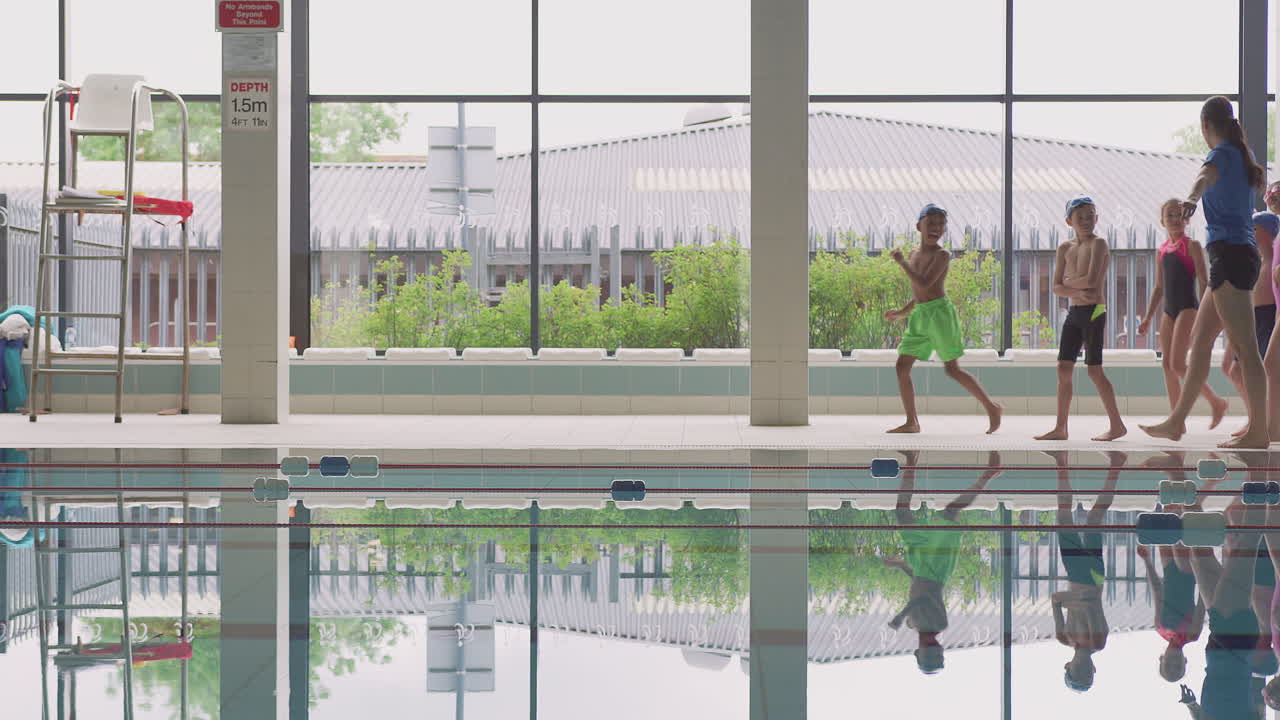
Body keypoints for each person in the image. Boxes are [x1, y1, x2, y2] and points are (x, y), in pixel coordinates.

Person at [1142, 96, 1270, 448]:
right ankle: (1177, 421)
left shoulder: (1223, 154)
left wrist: (1191, 199)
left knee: (1246, 348)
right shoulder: (1242, 158)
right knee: (1199, 345)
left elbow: (1204, 176)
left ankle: (1259, 432)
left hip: (1230, 255)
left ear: (1205, 127)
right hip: (1231, 256)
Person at [884, 204, 1002, 434]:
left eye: (941, 225)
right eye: (931, 224)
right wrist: (901, 312)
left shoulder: (942, 255)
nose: (936, 228)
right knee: (902, 366)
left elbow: (926, 284)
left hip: (940, 315)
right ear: (919, 226)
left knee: (952, 369)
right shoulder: (914, 254)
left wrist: (902, 263)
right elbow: (919, 294)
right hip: (921, 314)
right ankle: (912, 421)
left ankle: (991, 407)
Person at [883, 449, 1003, 674]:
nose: (935, 651)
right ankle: (987, 475)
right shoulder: (939, 624)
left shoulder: (913, 624)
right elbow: (925, 597)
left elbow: (918, 586)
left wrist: (902, 566)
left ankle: (911, 459)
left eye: (931, 656)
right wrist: (899, 616)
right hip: (936, 568)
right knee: (950, 512)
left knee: (902, 512)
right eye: (938, 655)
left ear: (918, 653)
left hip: (921, 566)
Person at [1035, 197, 1126, 442]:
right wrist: (1073, 289)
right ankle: (1061, 427)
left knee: (1094, 370)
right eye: (1080, 217)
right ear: (1069, 221)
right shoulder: (1064, 248)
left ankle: (1117, 425)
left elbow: (1092, 282)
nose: (1086, 221)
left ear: (1097, 218)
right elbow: (1055, 287)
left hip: (1095, 310)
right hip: (1074, 312)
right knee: (1063, 368)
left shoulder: (1099, 244)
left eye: (1090, 216)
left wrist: (1068, 284)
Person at [1138, 199, 1229, 428]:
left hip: (1188, 308)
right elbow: (1159, 287)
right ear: (1162, 221)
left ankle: (1216, 402)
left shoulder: (1192, 246)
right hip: (1168, 310)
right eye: (1170, 215)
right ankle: (1176, 420)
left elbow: (1203, 280)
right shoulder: (1162, 250)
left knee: (1178, 364)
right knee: (1167, 366)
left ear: (1186, 219)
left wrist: (1203, 313)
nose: (1175, 219)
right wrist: (1148, 317)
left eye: (1179, 215)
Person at [1048, 449, 1121, 692]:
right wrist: (1071, 602)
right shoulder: (1098, 642)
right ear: (1094, 670)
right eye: (1087, 673)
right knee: (1093, 518)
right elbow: (1087, 604)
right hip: (1092, 577)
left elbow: (1057, 600)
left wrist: (1069, 601)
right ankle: (1116, 466)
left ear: (1067, 666)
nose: (1084, 668)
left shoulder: (1063, 637)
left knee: (1065, 515)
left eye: (1078, 672)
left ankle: (1061, 460)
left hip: (1076, 574)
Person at [1221, 208, 1277, 438]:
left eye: (1253, 229)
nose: (1249, 233)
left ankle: (1265, 420)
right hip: (1251, 318)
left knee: (1264, 370)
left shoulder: (1274, 259)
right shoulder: (1256, 260)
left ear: (1266, 232)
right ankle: (1256, 417)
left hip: (1268, 318)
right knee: (1234, 371)